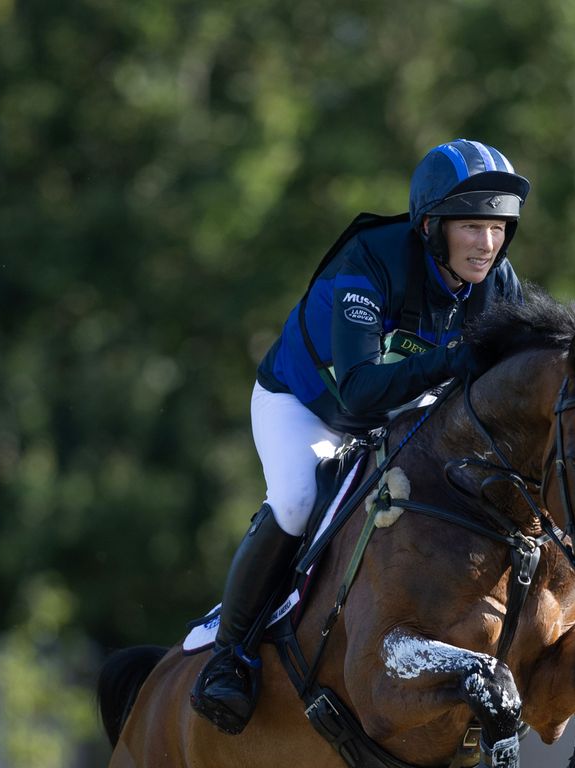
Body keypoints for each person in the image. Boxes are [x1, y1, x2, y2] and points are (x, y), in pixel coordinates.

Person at [190, 138, 530, 735]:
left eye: (499, 227)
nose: (488, 244)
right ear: (431, 226)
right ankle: (230, 656)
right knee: (299, 500)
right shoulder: (370, 262)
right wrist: (453, 358)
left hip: (398, 413)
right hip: (308, 404)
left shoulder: (498, 284)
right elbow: (359, 392)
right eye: (472, 226)